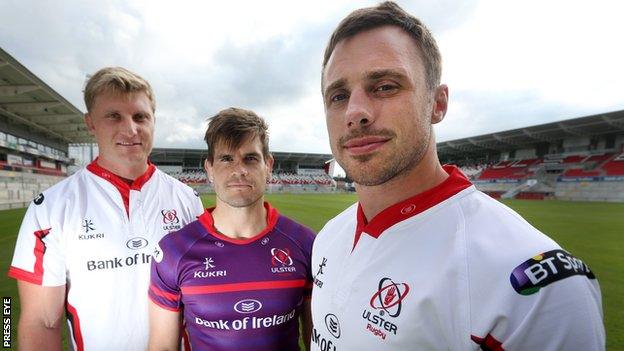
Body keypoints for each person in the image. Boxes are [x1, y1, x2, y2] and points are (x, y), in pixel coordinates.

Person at [310, 2, 605, 350]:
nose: (355, 111)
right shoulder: (329, 237)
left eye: (385, 86)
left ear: (438, 103)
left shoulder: (534, 286)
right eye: (338, 96)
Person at [8, 67, 204, 350]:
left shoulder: (187, 201)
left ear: (153, 121)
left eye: (140, 116)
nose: (130, 129)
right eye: (114, 116)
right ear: (91, 123)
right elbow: (42, 321)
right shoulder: (50, 208)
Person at [148, 107, 314, 351]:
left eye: (250, 158)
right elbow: (162, 347)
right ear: (210, 169)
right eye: (226, 159)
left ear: (268, 165)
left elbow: (317, 341)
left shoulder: (305, 243)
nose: (239, 170)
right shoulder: (173, 251)